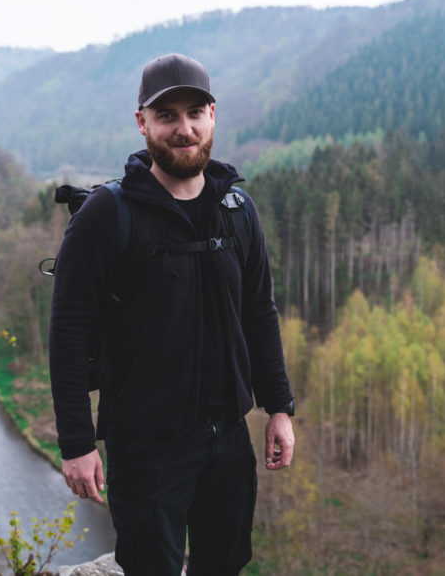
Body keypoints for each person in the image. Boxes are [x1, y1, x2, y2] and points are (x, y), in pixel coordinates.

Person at [48, 53, 295, 575]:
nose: (184, 129)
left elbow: (259, 313)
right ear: (142, 123)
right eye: (167, 116)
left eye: (194, 113)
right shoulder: (106, 216)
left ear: (213, 115)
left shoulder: (238, 211)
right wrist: (76, 444)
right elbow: (68, 333)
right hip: (145, 447)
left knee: (225, 563)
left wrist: (278, 407)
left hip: (228, 439)